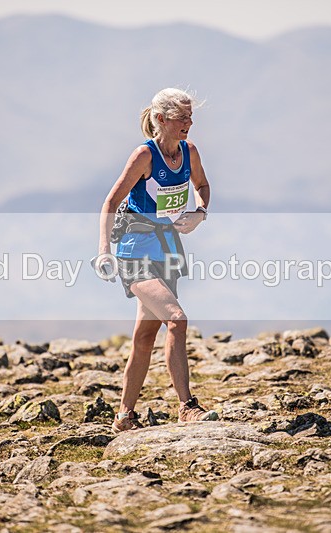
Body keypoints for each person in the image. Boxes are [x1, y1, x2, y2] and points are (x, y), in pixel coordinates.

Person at [97, 88, 218, 433]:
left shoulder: (189, 151)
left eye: (191, 116)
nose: (189, 123)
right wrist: (104, 250)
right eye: (182, 117)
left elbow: (203, 185)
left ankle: (124, 416)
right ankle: (187, 407)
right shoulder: (144, 157)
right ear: (161, 119)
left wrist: (200, 213)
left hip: (167, 248)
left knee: (145, 335)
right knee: (176, 319)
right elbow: (110, 202)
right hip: (133, 249)